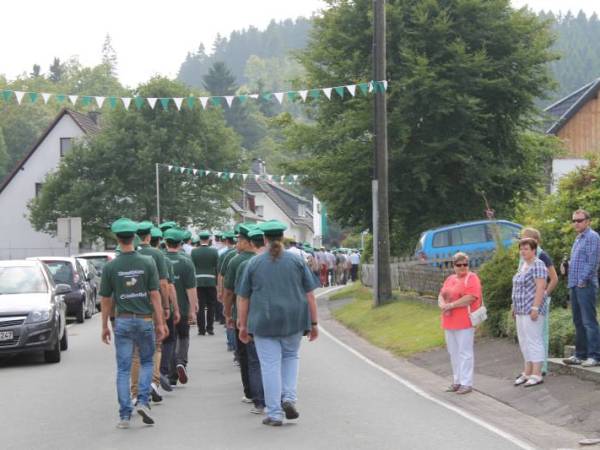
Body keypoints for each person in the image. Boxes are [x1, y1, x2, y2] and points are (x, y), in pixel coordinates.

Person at [237, 220, 320, 426]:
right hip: (293, 318)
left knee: (270, 366)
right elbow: (310, 294)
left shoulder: (254, 263)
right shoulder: (297, 261)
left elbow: (244, 297)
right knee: (291, 357)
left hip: (264, 320)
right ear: (282, 237)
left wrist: (242, 325)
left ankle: (274, 412)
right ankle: (289, 398)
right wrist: (314, 323)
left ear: (264, 238)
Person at [99, 218, 166, 429]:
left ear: (117, 238)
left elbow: (106, 299)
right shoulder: (148, 262)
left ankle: (125, 415)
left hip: (123, 321)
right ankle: (143, 401)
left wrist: (104, 326)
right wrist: (161, 323)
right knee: (147, 362)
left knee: (123, 369)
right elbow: (155, 295)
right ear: (134, 237)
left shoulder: (111, 266)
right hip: (145, 320)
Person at [130, 221, 171, 404]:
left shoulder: (129, 254)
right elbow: (163, 284)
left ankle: (136, 391)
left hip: (130, 307)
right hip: (152, 307)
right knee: (156, 346)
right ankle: (153, 382)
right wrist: (166, 306)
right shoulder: (156, 254)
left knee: (135, 353)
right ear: (149, 236)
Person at [437, 252, 482, 395]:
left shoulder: (472, 278)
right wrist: (442, 303)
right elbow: (441, 294)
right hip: (449, 321)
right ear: (453, 266)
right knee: (453, 352)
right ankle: (457, 380)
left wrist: (451, 305)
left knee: (465, 352)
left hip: (464, 321)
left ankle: (466, 383)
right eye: (459, 265)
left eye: (465, 264)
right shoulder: (450, 279)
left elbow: (471, 297)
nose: (463, 267)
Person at [224, 224, 258, 404]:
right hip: (261, 316)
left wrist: (227, 313)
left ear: (246, 242)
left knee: (245, 356)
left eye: (239, 240)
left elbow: (229, 291)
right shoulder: (263, 259)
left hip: (241, 314)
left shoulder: (235, 261)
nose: (237, 243)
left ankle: (250, 391)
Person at [235, 226, 267, 415]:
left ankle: (259, 401)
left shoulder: (245, 264)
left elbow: (241, 295)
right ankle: (283, 399)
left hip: (255, 318)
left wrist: (241, 322)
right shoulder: (286, 261)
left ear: (250, 242)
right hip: (279, 320)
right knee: (275, 361)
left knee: (255, 362)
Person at [564, 209, 600, 367]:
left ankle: (595, 356)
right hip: (574, 284)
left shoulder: (592, 237)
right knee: (578, 321)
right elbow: (579, 262)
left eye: (579, 220)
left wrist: (582, 280)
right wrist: (566, 266)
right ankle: (580, 354)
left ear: (588, 221)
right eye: (574, 220)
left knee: (589, 322)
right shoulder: (578, 238)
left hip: (585, 285)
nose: (576, 223)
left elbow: (593, 262)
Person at [520, 228, 558, 374]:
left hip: (537, 303)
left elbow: (554, 278)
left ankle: (541, 368)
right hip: (524, 304)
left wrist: (544, 295)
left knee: (540, 334)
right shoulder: (524, 257)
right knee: (526, 337)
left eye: (527, 239)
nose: (523, 244)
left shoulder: (542, 255)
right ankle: (529, 369)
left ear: (536, 241)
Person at [164, 228, 198, 385]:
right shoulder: (186, 261)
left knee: (170, 340)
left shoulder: (160, 260)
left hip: (166, 308)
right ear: (180, 244)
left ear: (166, 242)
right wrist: (193, 309)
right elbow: (190, 289)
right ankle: (181, 362)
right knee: (183, 337)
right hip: (183, 307)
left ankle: (171, 376)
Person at [512, 238, 548, 387]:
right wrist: (514, 307)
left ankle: (537, 373)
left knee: (534, 340)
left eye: (526, 248)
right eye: (521, 249)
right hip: (520, 310)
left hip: (531, 309)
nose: (523, 251)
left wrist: (535, 307)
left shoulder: (538, 264)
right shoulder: (523, 265)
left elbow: (540, 287)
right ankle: (527, 372)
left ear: (534, 250)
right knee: (524, 341)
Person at [149, 226, 180, 392]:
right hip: (158, 306)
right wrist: (171, 307)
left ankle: (140, 386)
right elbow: (167, 286)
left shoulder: (134, 256)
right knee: (162, 342)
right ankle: (159, 374)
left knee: (136, 353)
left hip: (134, 310)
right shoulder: (162, 258)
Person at [191, 230, 219, 336]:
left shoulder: (194, 251)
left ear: (200, 239)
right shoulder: (214, 251)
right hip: (211, 281)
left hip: (198, 281)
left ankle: (201, 329)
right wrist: (216, 282)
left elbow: (192, 267)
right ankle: (210, 328)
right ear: (208, 239)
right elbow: (217, 267)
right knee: (211, 305)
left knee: (200, 306)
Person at [218, 231, 238, 353]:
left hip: (232, 291)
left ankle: (232, 343)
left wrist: (220, 291)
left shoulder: (227, 254)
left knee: (230, 316)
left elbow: (221, 275)